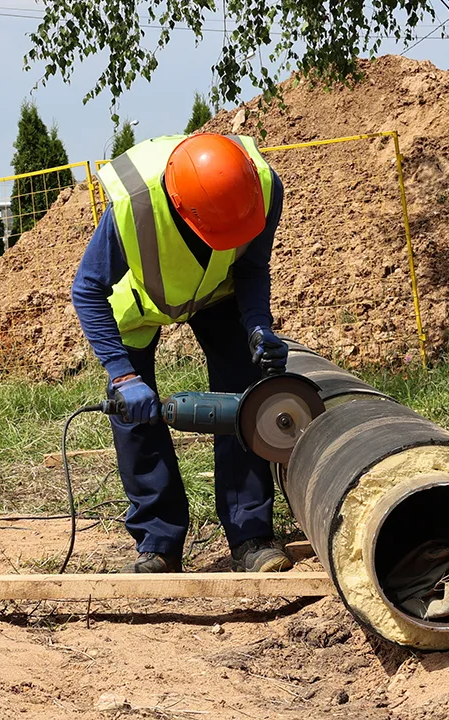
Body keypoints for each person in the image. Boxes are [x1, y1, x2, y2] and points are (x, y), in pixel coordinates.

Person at [71, 133, 292, 574]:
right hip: (141, 302)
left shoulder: (264, 188)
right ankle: (159, 541)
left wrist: (257, 326)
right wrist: (122, 375)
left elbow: (251, 267)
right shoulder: (132, 209)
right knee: (132, 413)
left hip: (218, 292)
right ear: (180, 207)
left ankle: (250, 535)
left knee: (244, 401)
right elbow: (87, 290)